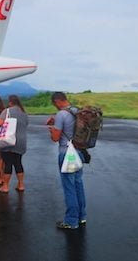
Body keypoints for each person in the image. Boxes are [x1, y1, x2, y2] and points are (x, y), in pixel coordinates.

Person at [47, 91, 86, 230]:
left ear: (57, 101)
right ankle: (81, 217)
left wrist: (52, 129)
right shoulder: (77, 111)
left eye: (54, 104)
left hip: (67, 153)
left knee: (69, 187)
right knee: (78, 184)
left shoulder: (61, 114)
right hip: (79, 152)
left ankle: (71, 221)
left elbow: (56, 138)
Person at [0, 95, 28, 194]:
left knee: (8, 163)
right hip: (21, 141)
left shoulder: (7, 111)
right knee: (18, 163)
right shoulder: (24, 113)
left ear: (10, 102)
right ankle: (21, 184)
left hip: (9, 140)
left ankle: (5, 186)